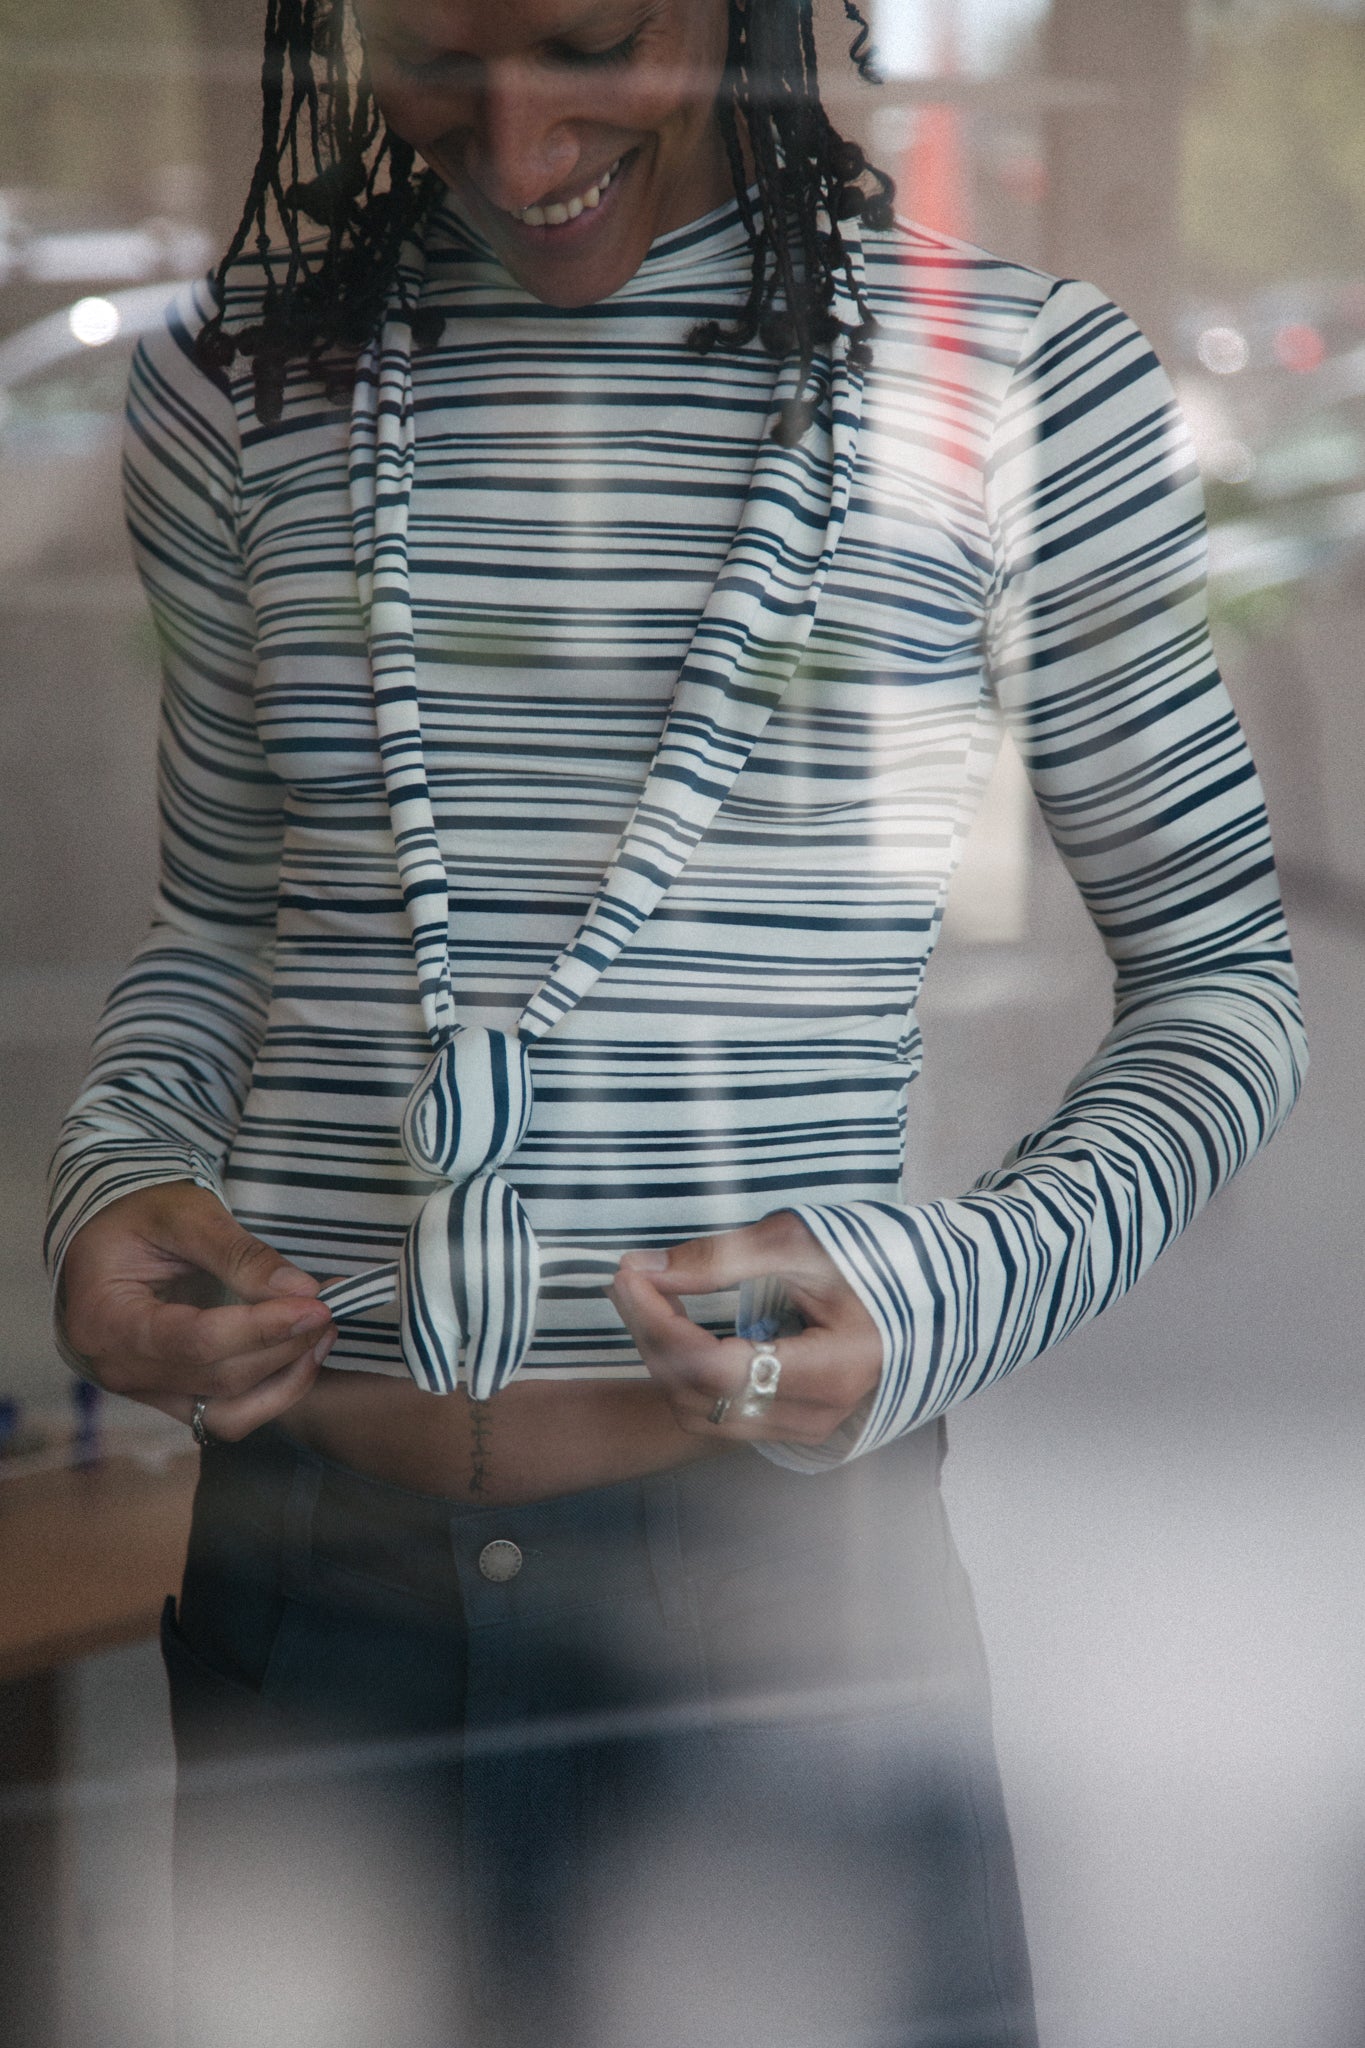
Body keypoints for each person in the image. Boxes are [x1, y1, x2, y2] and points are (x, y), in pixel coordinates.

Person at [47, 2, 1306, 2044]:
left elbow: (1223, 983)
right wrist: (114, 1183)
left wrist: (950, 1289)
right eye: (433, 52)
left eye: (589, 41)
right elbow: (220, 932)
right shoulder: (236, 386)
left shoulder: (1014, 378)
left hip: (766, 1618)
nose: (514, 136)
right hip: (315, 1597)